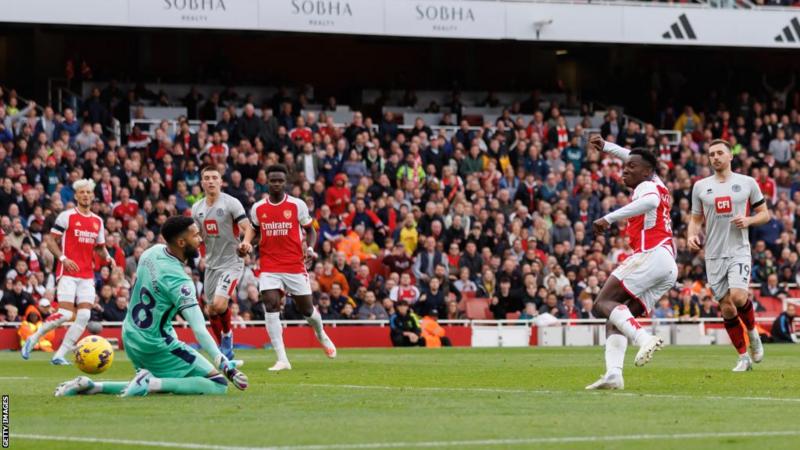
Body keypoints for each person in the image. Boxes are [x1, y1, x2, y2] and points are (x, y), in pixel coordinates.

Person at [54, 216, 248, 396]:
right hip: (155, 342)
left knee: (166, 382)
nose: (200, 239)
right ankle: (150, 383)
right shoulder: (181, 282)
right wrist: (225, 366)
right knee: (218, 384)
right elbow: (199, 329)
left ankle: (93, 386)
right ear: (181, 243)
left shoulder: (150, 253)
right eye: (195, 235)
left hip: (131, 333)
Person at [586, 136, 677, 390]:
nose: (625, 170)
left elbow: (649, 203)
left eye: (631, 167)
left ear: (647, 172)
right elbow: (632, 155)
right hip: (667, 263)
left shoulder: (646, 187)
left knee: (601, 303)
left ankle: (643, 338)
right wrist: (606, 148)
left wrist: (608, 218)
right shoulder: (657, 182)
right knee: (615, 317)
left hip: (652, 253)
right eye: (625, 166)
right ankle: (614, 374)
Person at [688, 139, 770, 371]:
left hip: (738, 250)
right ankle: (743, 357)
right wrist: (691, 236)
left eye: (720, 153)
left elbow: (765, 214)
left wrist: (749, 220)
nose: (715, 157)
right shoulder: (700, 186)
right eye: (711, 154)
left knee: (738, 297)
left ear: (730, 156)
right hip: (713, 253)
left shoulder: (747, 182)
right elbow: (695, 219)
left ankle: (753, 334)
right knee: (726, 307)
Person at [251, 164, 336, 371]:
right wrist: (247, 245)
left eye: (280, 180)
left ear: (285, 182)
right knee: (271, 305)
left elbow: (311, 231)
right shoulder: (258, 208)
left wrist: (310, 248)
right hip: (269, 265)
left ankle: (321, 333)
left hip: (294, 265)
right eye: (273, 180)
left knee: (306, 309)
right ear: (266, 182)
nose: (277, 184)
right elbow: (254, 233)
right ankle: (282, 359)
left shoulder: (297, 205)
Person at [22, 179, 115, 364]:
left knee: (84, 315)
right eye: (82, 192)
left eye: (88, 192)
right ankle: (33, 338)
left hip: (87, 274)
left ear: (93, 195)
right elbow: (50, 241)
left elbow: (99, 248)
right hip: (68, 272)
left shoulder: (98, 221)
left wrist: (108, 257)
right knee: (65, 313)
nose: (86, 195)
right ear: (76, 195)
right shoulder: (66, 216)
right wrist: (63, 258)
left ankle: (59, 355)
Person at [191, 165, 255, 359]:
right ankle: (223, 349)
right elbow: (198, 236)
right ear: (202, 183)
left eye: (214, 177)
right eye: (207, 178)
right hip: (211, 264)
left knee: (219, 305)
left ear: (220, 181)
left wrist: (245, 243)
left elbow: (248, 227)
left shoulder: (231, 203)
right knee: (210, 309)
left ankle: (227, 336)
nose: (210, 181)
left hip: (231, 261)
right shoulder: (197, 208)